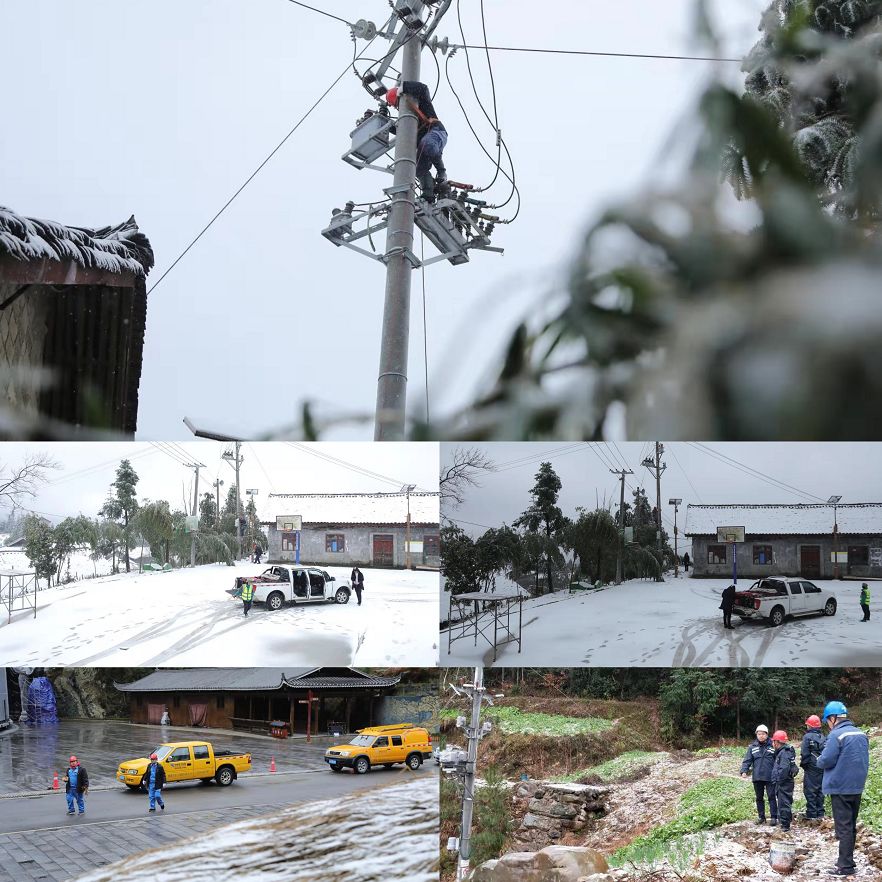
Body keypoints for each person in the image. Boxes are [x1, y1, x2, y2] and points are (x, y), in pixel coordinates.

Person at [816, 700, 870, 877]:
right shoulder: (861, 734)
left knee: (844, 828)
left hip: (840, 787)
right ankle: (848, 861)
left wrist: (818, 760)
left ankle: (845, 866)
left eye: (827, 721)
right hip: (856, 787)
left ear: (832, 718)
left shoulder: (837, 735)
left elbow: (826, 760)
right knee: (851, 825)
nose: (828, 726)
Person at [386, 82, 447, 202]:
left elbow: (423, 88)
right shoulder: (406, 121)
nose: (399, 107)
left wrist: (404, 87)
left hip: (436, 131)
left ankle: (441, 172)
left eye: (398, 103)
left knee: (427, 144)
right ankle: (428, 194)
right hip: (425, 142)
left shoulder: (421, 102)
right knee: (418, 168)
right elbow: (399, 131)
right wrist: (384, 124)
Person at [740, 724, 778, 825]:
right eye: (759, 734)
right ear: (756, 735)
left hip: (770, 776)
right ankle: (761, 817)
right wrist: (744, 770)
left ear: (767, 734)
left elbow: (778, 759)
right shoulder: (752, 747)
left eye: (763, 734)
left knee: (771, 796)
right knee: (759, 798)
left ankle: (774, 817)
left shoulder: (773, 745)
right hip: (757, 776)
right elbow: (747, 760)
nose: (761, 736)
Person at [770, 730, 799, 832]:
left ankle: (785, 826)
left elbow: (784, 769)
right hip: (785, 782)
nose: (773, 744)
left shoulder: (784, 753)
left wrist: (778, 780)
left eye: (773, 742)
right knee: (784, 802)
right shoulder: (784, 751)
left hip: (784, 783)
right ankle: (784, 823)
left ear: (777, 742)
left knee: (784, 803)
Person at [801, 714, 827, 821]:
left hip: (811, 766)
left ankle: (811, 813)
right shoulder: (824, 737)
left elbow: (805, 754)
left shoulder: (807, 737)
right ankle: (820, 813)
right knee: (820, 790)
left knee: (810, 790)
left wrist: (805, 766)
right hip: (822, 766)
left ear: (809, 726)